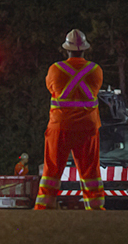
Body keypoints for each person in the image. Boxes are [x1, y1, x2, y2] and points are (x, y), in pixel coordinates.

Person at [34, 29, 105, 210]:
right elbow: (95, 91)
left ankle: (44, 207)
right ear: (84, 50)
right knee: (90, 171)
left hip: (60, 126)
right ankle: (95, 208)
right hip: (87, 127)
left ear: (67, 49)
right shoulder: (96, 70)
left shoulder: (55, 70)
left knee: (52, 170)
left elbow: (52, 88)